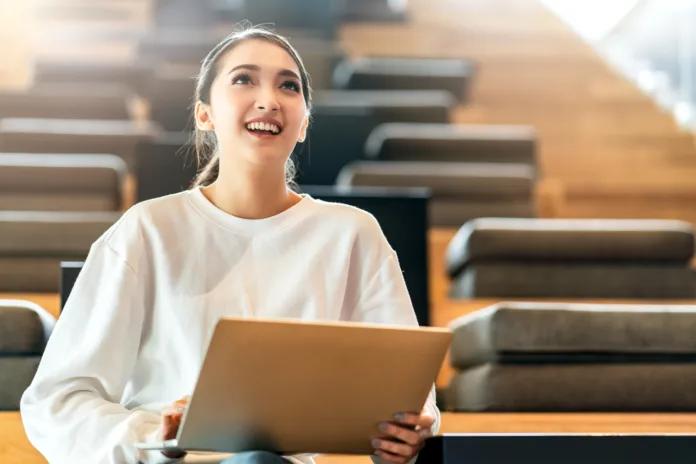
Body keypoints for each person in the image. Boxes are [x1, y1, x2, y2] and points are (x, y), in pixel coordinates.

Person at [20, 26, 440, 464]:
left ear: (303, 124)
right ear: (205, 115)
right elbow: (56, 402)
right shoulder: (148, 229)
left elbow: (410, 394)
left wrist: (407, 435)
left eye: (288, 86)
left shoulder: (352, 234)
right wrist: (159, 435)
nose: (269, 99)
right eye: (244, 79)